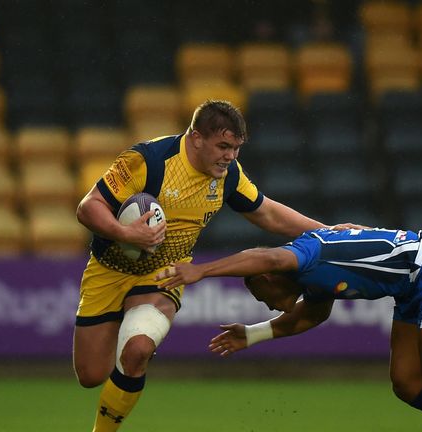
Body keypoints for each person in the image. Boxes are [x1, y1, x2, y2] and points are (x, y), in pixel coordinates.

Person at [156, 226, 422, 432]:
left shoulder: (302, 257)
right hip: (411, 289)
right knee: (405, 385)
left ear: (271, 279)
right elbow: (311, 316)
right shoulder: (313, 280)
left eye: (263, 296)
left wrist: (202, 272)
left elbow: (266, 257)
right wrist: (251, 334)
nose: (267, 303)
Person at [74, 100, 337, 432]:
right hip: (109, 270)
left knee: (137, 351)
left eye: (237, 148)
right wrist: (126, 232)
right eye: (223, 146)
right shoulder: (148, 161)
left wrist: (326, 232)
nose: (230, 156)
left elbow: (266, 212)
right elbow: (89, 207)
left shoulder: (228, 175)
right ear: (196, 138)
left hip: (165, 274)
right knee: (91, 375)